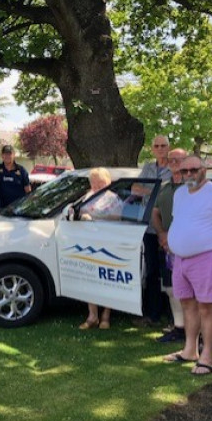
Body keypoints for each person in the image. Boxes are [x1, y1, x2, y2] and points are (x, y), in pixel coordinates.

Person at [164, 156, 212, 375]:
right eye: (184, 171)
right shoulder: (180, 194)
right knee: (188, 306)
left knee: (206, 308)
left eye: (193, 170)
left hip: (207, 258)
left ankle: (207, 357)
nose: (188, 174)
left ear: (204, 170)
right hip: (181, 260)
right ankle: (190, 350)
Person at [133, 135, 172, 327]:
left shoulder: (175, 168)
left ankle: (175, 318)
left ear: (168, 147)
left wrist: (148, 190)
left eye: (163, 145)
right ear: (152, 149)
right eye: (156, 146)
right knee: (151, 272)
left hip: (169, 227)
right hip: (149, 227)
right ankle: (152, 315)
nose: (160, 149)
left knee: (172, 272)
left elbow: (176, 191)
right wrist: (155, 191)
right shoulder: (148, 167)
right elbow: (134, 188)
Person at [77, 168, 123, 330]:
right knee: (90, 279)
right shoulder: (88, 196)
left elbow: (117, 217)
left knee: (107, 280)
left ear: (108, 182)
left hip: (108, 243)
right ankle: (92, 316)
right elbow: (79, 212)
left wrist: (94, 217)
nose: (97, 185)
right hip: (89, 244)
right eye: (94, 182)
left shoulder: (113, 198)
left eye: (101, 182)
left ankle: (106, 316)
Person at [151, 148, 188, 343]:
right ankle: (179, 329)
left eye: (178, 159)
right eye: (171, 159)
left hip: (185, 248)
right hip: (166, 246)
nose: (173, 161)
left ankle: (195, 333)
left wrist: (174, 237)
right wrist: (161, 234)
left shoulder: (191, 186)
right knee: (171, 289)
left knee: (188, 292)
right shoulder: (165, 186)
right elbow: (155, 212)